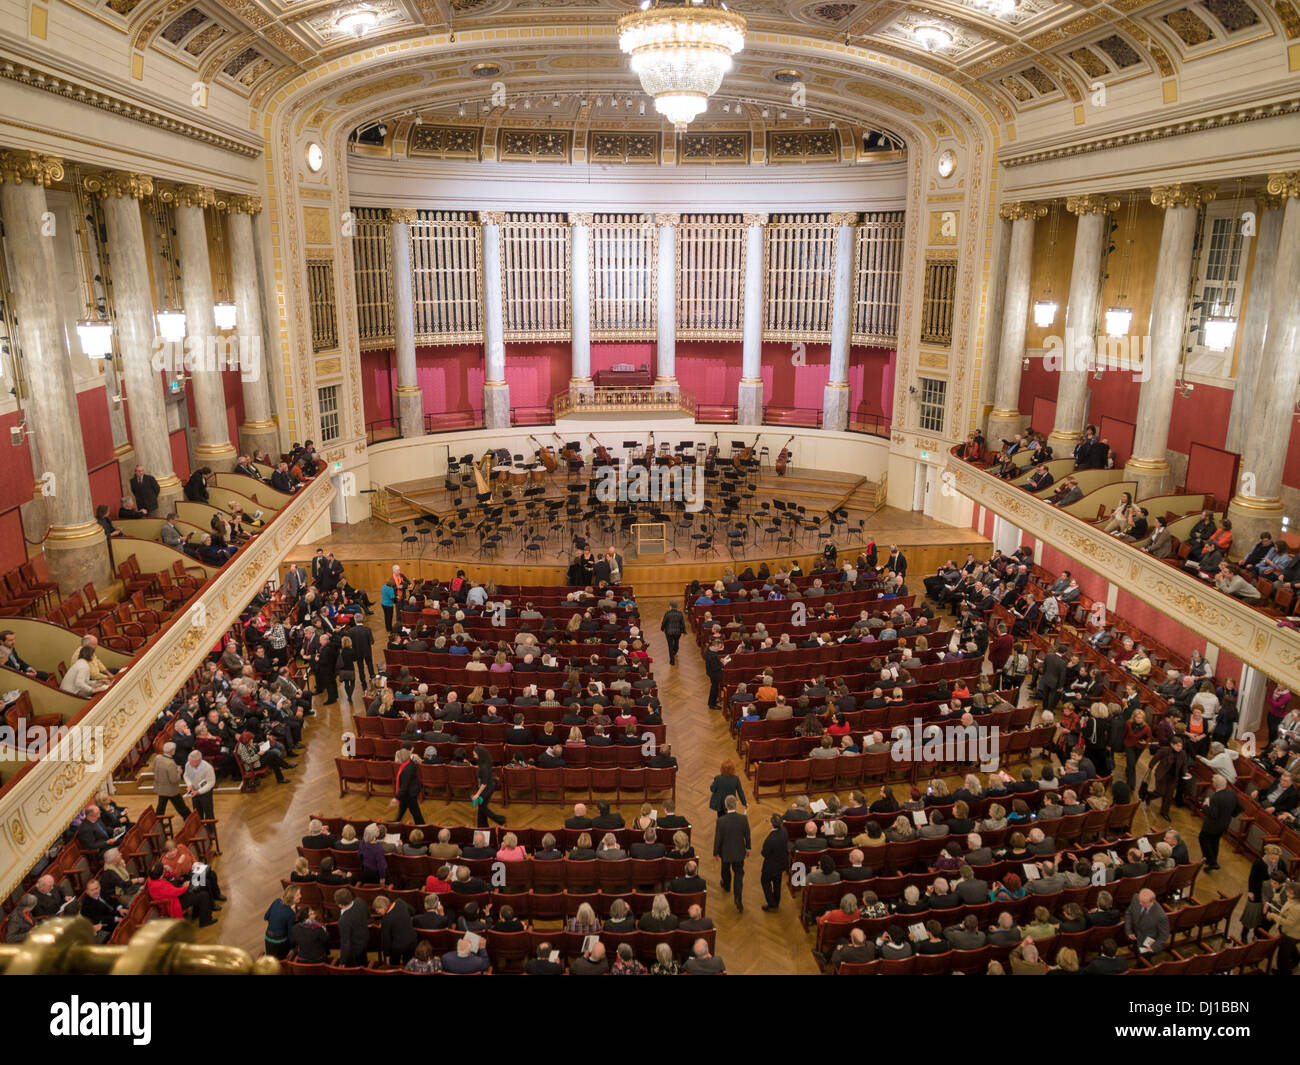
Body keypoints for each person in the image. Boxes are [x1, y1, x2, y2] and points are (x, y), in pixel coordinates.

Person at [714, 794, 751, 912]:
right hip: (739, 852)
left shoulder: (720, 821)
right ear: (736, 805)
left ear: (725, 806)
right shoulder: (743, 819)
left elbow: (717, 839)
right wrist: (748, 848)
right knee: (739, 876)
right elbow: (747, 835)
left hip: (725, 853)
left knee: (725, 870)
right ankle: (738, 900)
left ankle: (726, 885)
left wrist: (715, 852)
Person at [1199, 774, 1242, 871]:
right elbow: (1240, 808)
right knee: (1214, 842)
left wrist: (1205, 806)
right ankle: (1211, 861)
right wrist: (1229, 815)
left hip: (1212, 825)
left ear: (1215, 785)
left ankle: (1212, 862)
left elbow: (1213, 814)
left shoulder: (1216, 797)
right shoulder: (1232, 794)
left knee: (1203, 840)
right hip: (1224, 825)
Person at [1125, 888, 1169, 956]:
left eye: (1144, 902)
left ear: (1152, 902)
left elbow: (1164, 935)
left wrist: (1154, 947)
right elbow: (1129, 913)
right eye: (1140, 901)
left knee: (1144, 960)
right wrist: (1129, 931)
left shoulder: (1161, 916)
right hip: (1134, 935)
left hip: (1147, 942)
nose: (1140, 903)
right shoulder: (1136, 898)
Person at [151, 741, 190, 819]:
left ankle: (158, 824)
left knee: (160, 808)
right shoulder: (170, 763)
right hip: (171, 790)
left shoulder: (157, 757)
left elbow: (153, 770)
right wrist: (179, 772)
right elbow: (174, 779)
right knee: (182, 808)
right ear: (172, 751)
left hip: (160, 788)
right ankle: (191, 821)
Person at [760, 813, 789, 912]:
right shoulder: (784, 831)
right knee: (777, 883)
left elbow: (764, 853)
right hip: (781, 863)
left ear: (772, 824)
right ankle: (777, 901)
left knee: (764, 881)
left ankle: (772, 904)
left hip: (770, 867)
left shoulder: (770, 839)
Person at [471, 744, 506, 827]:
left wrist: (477, 794)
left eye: (474, 753)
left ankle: (500, 819)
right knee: (481, 808)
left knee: (482, 808)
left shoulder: (484, 766)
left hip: (486, 789)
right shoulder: (484, 762)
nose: (473, 755)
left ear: (479, 754)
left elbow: (484, 784)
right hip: (488, 787)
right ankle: (483, 825)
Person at [263, 886, 299, 959]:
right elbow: (290, 934)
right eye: (298, 895)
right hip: (280, 943)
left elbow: (266, 917)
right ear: (291, 898)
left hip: (268, 939)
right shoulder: (290, 913)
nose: (300, 896)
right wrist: (292, 948)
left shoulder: (277, 901)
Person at [391, 747, 423, 824]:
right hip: (409, 791)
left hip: (410, 793)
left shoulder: (406, 770)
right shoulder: (409, 762)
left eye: (398, 757)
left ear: (402, 758)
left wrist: (396, 798)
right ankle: (397, 821)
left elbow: (404, 786)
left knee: (415, 812)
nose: (397, 759)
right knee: (402, 807)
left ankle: (421, 825)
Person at [183, 750, 216, 821]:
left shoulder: (208, 768)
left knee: (209, 813)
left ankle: (211, 831)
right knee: (197, 814)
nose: (189, 763)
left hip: (205, 793)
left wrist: (199, 791)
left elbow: (211, 783)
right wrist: (189, 785)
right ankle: (200, 830)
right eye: (189, 761)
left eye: (191, 762)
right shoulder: (188, 765)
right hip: (194, 792)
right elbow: (186, 776)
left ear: (198, 761)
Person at [660, 602, 686, 666]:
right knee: (676, 643)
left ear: (670, 607)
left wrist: (662, 628)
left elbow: (664, 622)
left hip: (669, 632)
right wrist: (684, 631)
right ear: (676, 607)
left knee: (670, 646)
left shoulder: (667, 613)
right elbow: (682, 624)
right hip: (678, 632)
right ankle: (675, 651)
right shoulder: (680, 614)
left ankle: (672, 661)